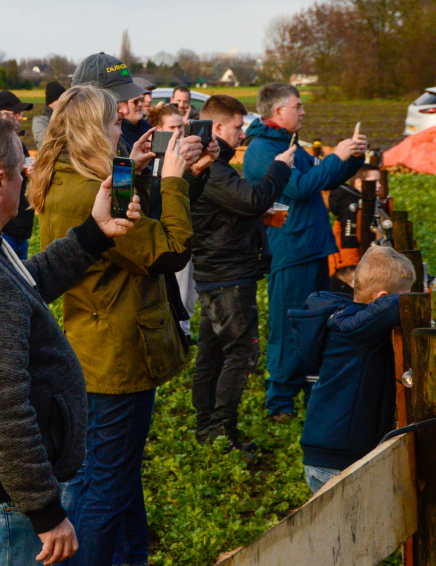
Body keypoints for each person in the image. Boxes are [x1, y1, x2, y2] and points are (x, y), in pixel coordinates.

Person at [0, 109, 141, 566]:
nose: (28, 177)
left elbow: (22, 288)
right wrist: (44, 510)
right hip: (2, 507)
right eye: (23, 169)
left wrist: (93, 235)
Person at [29, 85, 194, 566]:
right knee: (107, 486)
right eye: (115, 123)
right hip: (119, 353)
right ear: (93, 130)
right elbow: (168, 249)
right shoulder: (94, 190)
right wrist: (173, 181)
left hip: (90, 343)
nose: (122, 128)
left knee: (115, 477)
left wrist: (132, 170)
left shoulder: (63, 176)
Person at [243, 83, 367, 423]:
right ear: (278, 111)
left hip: (311, 247)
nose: (303, 111)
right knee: (288, 328)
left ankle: (312, 392)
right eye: (297, 106)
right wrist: (336, 156)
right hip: (290, 250)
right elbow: (299, 187)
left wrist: (352, 158)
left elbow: (323, 179)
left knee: (316, 325)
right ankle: (280, 402)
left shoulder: (289, 144)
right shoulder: (262, 150)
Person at [190, 95, 295, 454]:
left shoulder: (211, 165)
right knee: (240, 353)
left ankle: (208, 429)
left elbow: (234, 208)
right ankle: (222, 431)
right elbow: (253, 199)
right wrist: (279, 168)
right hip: (227, 275)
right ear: (218, 128)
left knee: (212, 354)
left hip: (218, 272)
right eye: (237, 127)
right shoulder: (213, 168)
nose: (242, 135)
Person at [290, 246, 416, 493]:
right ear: (381, 297)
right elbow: (393, 305)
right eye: (407, 293)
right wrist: (414, 302)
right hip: (339, 460)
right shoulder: (355, 329)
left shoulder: (351, 321)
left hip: (330, 451)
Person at [146, 102, 219, 334]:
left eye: (181, 127)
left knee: (186, 298)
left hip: (180, 235)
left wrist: (196, 170)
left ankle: (183, 335)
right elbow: (155, 203)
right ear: (158, 130)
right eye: (172, 127)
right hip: (160, 242)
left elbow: (184, 200)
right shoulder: (150, 157)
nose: (178, 132)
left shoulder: (182, 157)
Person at [0, 89, 35, 259]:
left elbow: (27, 176)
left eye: (21, 113)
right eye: (15, 113)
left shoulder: (19, 145)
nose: (20, 117)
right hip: (4, 231)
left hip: (21, 231)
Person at [327, 164, 381, 295]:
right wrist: (353, 273)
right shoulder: (352, 206)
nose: (379, 185)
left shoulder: (361, 203)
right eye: (374, 181)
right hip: (343, 271)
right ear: (359, 183)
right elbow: (348, 241)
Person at [32, 81, 66, 147]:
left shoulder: (70, 118)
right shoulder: (40, 122)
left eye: (64, 100)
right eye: (58, 100)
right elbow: (47, 143)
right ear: (50, 104)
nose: (62, 103)